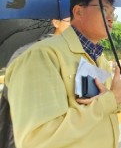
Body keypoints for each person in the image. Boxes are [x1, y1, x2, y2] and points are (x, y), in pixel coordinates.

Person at [4, 0, 121, 148]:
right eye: (103, 10)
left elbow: (101, 109)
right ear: (78, 12)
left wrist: (118, 96)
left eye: (112, 13)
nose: (110, 18)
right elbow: (38, 140)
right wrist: (112, 98)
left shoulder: (99, 60)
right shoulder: (42, 56)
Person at [0, 17, 71, 148]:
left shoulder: (67, 54)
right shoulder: (30, 53)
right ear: (56, 22)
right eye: (69, 21)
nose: (74, 27)